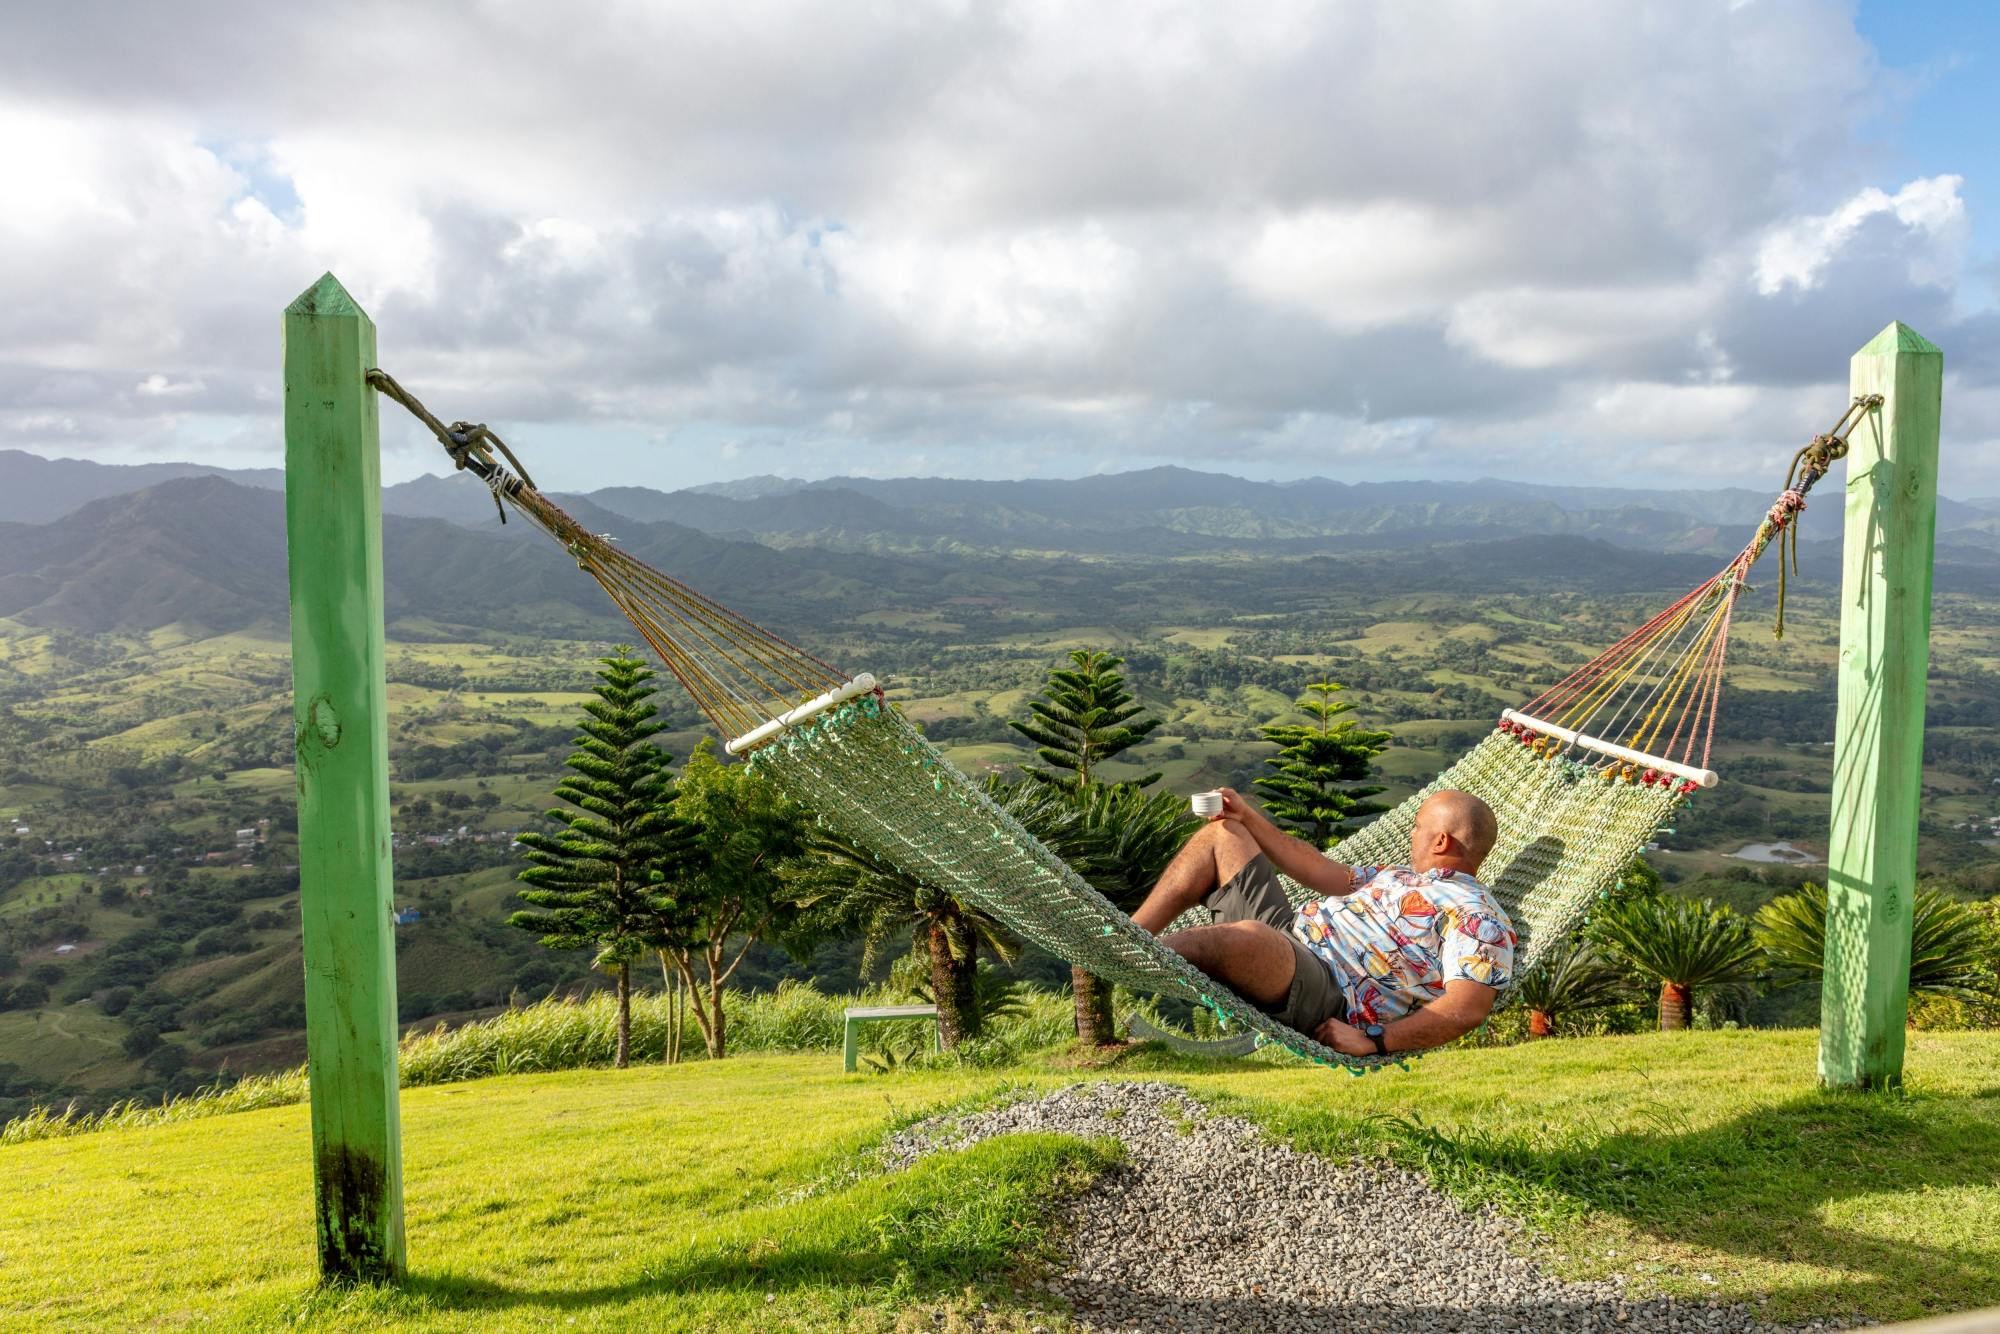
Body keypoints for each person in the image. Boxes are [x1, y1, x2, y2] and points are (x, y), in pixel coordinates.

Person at [1130, 787, 1513, 1059]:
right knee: (1222, 835)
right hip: (1288, 938)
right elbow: (1316, 868)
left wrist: (1374, 1040)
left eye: (1417, 826)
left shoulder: (1476, 917)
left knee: (1248, 938)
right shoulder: (1395, 876)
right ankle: (1127, 935)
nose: (1411, 833)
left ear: (1441, 841)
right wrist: (1245, 817)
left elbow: (1468, 1007)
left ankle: (1132, 958)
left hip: (1329, 989)